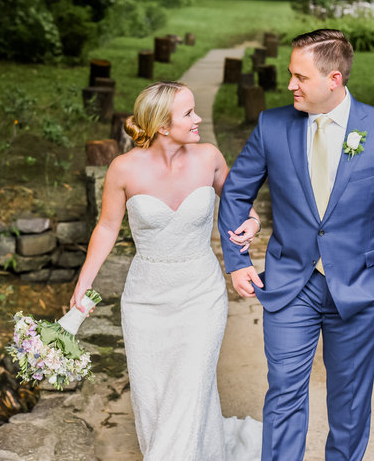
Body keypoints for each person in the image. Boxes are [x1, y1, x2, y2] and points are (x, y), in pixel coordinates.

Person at [218, 29, 374, 461]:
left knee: (349, 403)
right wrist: (237, 261)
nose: (290, 84)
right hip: (290, 282)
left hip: (363, 287)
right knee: (284, 393)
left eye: (300, 76)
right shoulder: (271, 125)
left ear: (334, 79)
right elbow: (237, 192)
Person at [70, 81, 263, 460]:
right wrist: (84, 283)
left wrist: (253, 223)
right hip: (146, 299)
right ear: (161, 125)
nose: (199, 118)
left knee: (191, 385)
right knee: (155, 394)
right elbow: (107, 227)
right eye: (189, 113)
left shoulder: (209, 158)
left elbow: (241, 204)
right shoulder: (123, 169)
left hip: (200, 295)